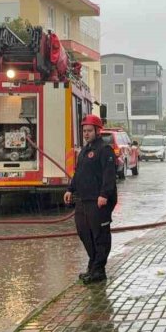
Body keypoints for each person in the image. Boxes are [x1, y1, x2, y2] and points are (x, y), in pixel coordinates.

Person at [64, 114, 118, 285]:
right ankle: (92, 265)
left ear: (97, 130)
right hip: (82, 199)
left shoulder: (105, 150)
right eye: (84, 131)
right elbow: (78, 173)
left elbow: (109, 175)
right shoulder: (84, 151)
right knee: (84, 232)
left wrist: (104, 195)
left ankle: (99, 270)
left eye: (89, 131)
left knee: (99, 236)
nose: (86, 134)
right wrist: (70, 189)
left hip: (98, 201)